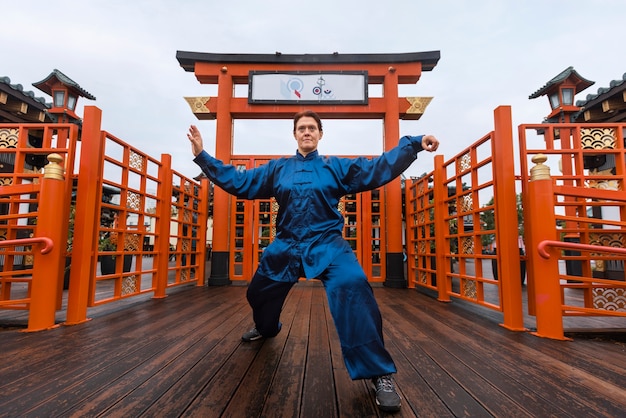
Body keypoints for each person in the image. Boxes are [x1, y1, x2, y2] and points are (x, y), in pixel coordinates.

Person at [187, 110, 439, 413]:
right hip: (286, 245)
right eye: (301, 128)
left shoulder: (336, 167)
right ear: (295, 135)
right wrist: (203, 156)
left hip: (328, 245)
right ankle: (267, 328)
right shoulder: (277, 169)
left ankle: (379, 373)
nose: (306, 132)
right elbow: (240, 182)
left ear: (320, 134)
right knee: (258, 292)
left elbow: (378, 168)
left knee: (354, 284)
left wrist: (412, 144)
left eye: (312, 128)